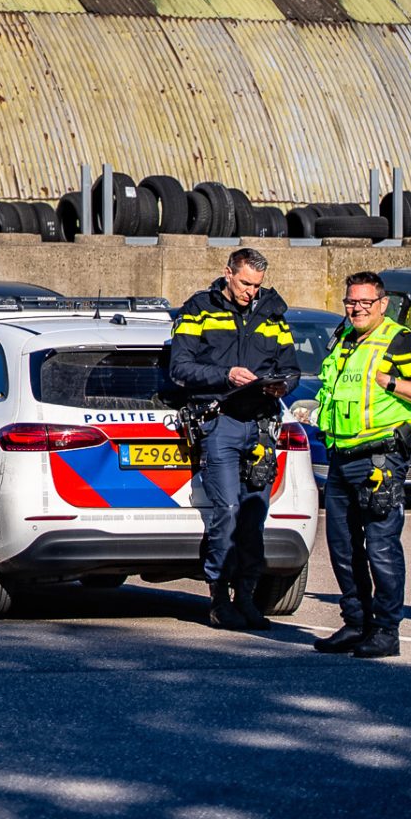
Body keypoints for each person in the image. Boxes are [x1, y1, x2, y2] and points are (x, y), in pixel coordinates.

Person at [304, 272, 411, 658]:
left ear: (382, 304)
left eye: (365, 303)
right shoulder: (344, 339)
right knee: (342, 547)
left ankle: (386, 630)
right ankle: (355, 623)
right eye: (351, 302)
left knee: (380, 546)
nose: (357, 309)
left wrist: (392, 383)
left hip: (379, 459)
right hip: (341, 456)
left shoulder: (398, 340)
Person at [170, 248, 300, 631]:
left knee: (253, 516)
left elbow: (291, 369)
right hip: (221, 422)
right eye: (245, 283)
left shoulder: (273, 312)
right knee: (226, 510)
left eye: (257, 285)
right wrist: (226, 375)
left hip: (260, 426)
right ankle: (218, 598)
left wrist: (282, 387)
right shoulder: (199, 309)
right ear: (228, 273)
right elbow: (180, 368)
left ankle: (246, 598)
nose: (250, 292)